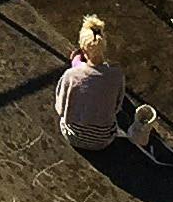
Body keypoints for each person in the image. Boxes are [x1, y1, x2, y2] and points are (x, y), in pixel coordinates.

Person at [53, 16, 127, 150]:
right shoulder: (116, 75)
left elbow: (60, 109)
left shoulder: (71, 76)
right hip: (103, 140)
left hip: (73, 136)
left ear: (83, 48)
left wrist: (77, 66)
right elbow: (117, 107)